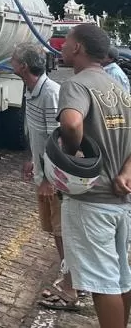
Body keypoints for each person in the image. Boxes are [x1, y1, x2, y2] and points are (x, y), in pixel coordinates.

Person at [57, 23, 131, 328]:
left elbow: (72, 124)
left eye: (66, 42)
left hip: (91, 199)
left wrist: (73, 155)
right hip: (120, 201)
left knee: (102, 283)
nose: (61, 46)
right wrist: (127, 171)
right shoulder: (119, 88)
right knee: (120, 277)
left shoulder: (77, 85)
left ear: (78, 48)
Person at [10, 44, 78, 310]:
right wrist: (31, 158)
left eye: (15, 60)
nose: (11, 63)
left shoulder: (50, 92)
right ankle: (67, 275)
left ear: (24, 67)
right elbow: (36, 133)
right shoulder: (30, 90)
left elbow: (56, 139)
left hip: (55, 177)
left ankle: (72, 284)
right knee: (55, 231)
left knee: (63, 231)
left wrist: (50, 178)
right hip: (43, 172)